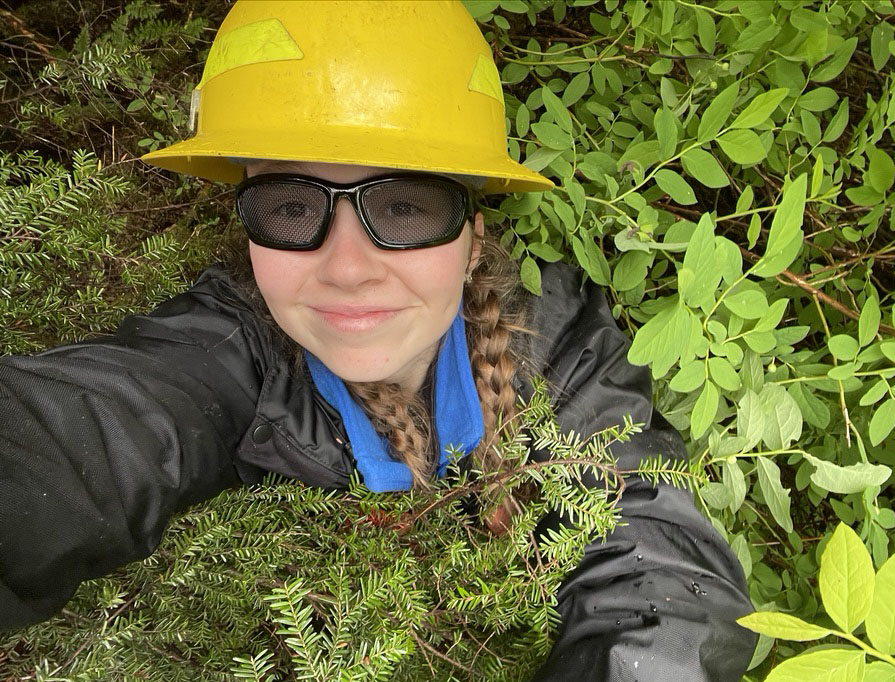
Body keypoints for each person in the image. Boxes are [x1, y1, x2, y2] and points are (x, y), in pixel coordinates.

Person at [0, 1, 756, 679]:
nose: (348, 268)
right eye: (291, 207)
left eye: (405, 206)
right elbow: (78, 435)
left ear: (472, 232)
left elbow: (660, 579)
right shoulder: (229, 346)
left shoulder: (554, 344)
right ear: (247, 225)